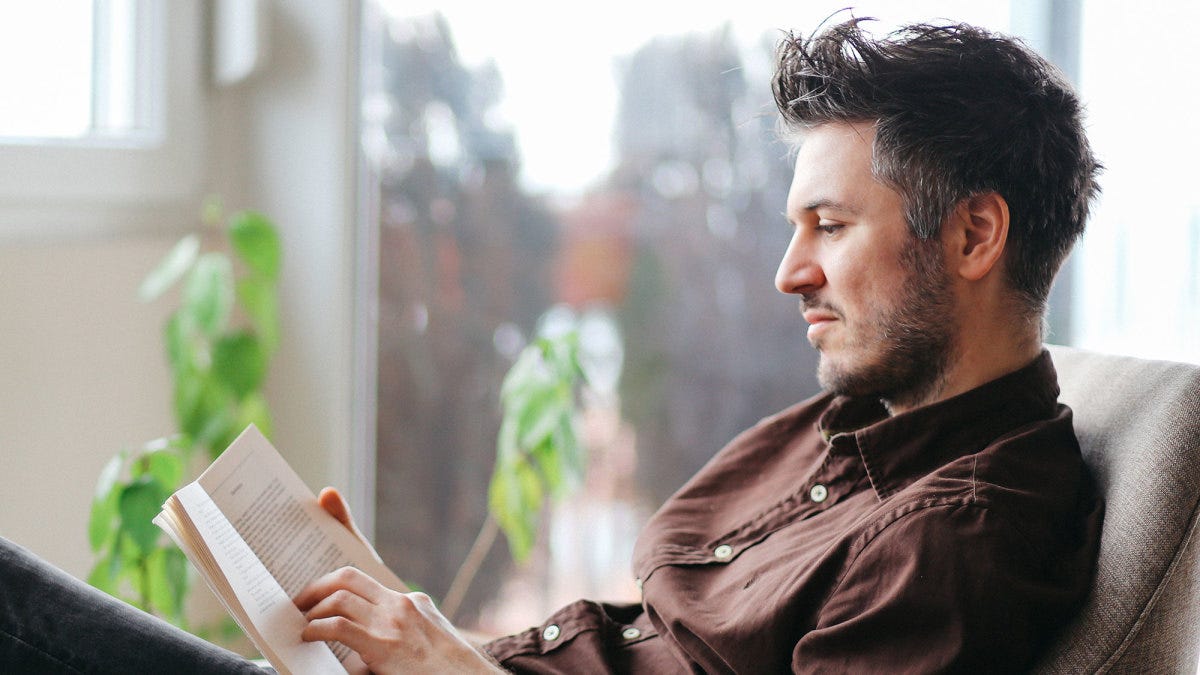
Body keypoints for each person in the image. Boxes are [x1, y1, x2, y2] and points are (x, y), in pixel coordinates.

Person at [0, 15, 1102, 674]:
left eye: (829, 224)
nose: (789, 271)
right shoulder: (858, 423)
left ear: (974, 234)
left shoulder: (962, 538)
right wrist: (411, 625)